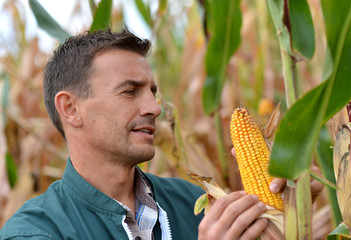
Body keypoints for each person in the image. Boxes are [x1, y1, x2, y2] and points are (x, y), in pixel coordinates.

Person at [0, 28, 323, 240]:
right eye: (130, 92)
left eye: (153, 91)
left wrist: (290, 217)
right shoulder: (36, 231)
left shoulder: (193, 202)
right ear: (70, 108)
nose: (154, 107)